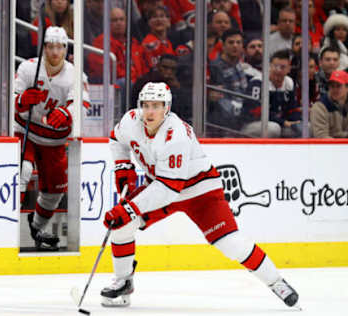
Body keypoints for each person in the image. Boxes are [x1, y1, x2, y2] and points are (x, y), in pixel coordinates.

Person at [100, 81, 300, 309]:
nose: (150, 111)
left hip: (199, 190)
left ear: (167, 108)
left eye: (156, 105)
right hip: (161, 186)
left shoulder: (176, 136)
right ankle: (123, 283)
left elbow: (168, 189)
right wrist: (122, 166)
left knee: (230, 243)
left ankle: (276, 282)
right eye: (146, 105)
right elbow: (116, 139)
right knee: (121, 227)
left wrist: (129, 207)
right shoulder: (131, 121)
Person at [14, 26, 90, 251]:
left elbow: (82, 105)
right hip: (24, 129)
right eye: (50, 47)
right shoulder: (28, 68)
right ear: (44, 48)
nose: (55, 52)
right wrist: (22, 100)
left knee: (55, 191)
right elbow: (10, 98)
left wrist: (68, 113)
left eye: (60, 47)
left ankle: (37, 227)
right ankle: (8, 226)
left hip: (54, 140)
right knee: (22, 171)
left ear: (66, 49)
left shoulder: (75, 74)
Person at [242, 49, 300, 138]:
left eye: (283, 67)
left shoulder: (289, 82)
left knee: (304, 127)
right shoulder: (257, 82)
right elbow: (256, 113)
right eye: (275, 66)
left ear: (289, 69)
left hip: (279, 122)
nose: (278, 70)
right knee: (274, 129)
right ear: (269, 66)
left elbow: (292, 109)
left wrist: (296, 121)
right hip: (252, 124)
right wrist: (283, 122)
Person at [208, 28, 248, 133]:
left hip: (244, 116)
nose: (235, 45)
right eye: (231, 42)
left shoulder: (242, 66)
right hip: (226, 122)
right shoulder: (214, 66)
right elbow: (218, 99)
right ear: (223, 45)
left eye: (238, 42)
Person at [311, 70, 348, 138]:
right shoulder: (320, 107)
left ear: (347, 88)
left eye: (338, 86)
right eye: (332, 86)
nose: (334, 89)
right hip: (328, 147)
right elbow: (321, 137)